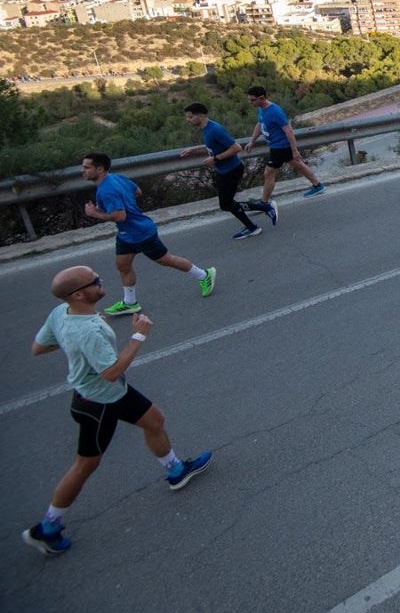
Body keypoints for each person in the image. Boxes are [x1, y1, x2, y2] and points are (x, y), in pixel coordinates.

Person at [21, 266, 213, 556]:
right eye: (95, 282)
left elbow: (39, 347)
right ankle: (47, 527)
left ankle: (175, 471)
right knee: (85, 465)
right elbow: (111, 372)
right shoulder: (88, 331)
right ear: (78, 294)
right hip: (99, 402)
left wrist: (74, 341)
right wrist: (138, 336)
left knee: (155, 420)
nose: (101, 282)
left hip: (110, 394)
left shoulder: (62, 313)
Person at [81, 152, 216, 316]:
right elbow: (138, 191)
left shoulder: (107, 190)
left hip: (140, 233)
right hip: (126, 234)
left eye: (86, 167)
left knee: (166, 260)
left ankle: (204, 275)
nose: (83, 171)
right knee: (123, 266)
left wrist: (95, 214)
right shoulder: (117, 178)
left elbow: (120, 216)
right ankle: (130, 303)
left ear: (100, 168)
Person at [180, 102, 267, 240]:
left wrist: (215, 159)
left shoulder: (215, 129)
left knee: (226, 204)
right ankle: (264, 209)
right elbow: (212, 146)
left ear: (201, 115)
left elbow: (237, 147)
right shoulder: (206, 129)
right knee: (226, 204)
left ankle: (253, 226)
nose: (188, 120)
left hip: (232, 170)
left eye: (190, 117)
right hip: (224, 170)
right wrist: (193, 150)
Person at [244, 85, 325, 205]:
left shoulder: (275, 111)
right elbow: (260, 124)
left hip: (280, 146)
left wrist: (294, 150)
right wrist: (252, 141)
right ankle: (318, 185)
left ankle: (264, 202)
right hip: (276, 145)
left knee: (269, 172)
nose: (250, 102)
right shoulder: (261, 109)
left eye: (252, 100)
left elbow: (289, 130)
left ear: (261, 98)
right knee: (297, 164)